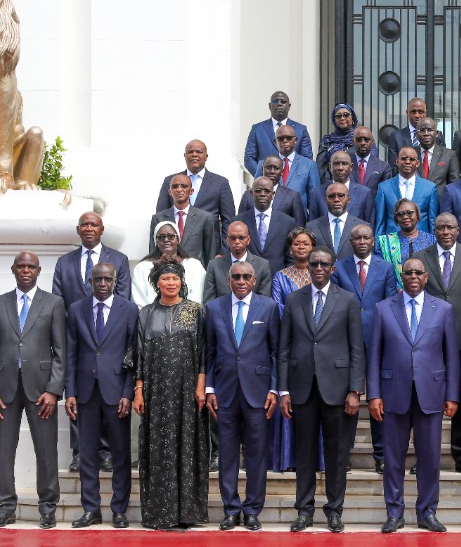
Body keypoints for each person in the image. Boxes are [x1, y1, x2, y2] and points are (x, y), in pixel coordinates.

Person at [367, 258, 460, 533]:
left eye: (419, 272)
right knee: (393, 458)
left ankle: (427, 512)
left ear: (427, 276)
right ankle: (394, 513)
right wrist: (373, 394)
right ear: (401, 275)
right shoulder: (383, 309)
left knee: (430, 457)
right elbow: (374, 356)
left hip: (430, 393)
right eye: (408, 272)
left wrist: (452, 395)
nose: (413, 276)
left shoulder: (442, 309)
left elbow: (451, 356)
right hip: (393, 392)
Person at [278, 247, 365, 533]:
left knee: (337, 453)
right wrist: (283, 390)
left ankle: (334, 511)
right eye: (314, 263)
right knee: (304, 452)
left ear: (332, 269)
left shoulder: (348, 300)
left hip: (338, 389)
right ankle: (304, 510)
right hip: (302, 387)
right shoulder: (294, 299)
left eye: (323, 264)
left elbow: (356, 348)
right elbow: (284, 348)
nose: (318, 268)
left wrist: (355, 390)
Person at [0, 252, 66, 530]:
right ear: (13, 270)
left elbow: (60, 352)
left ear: (39, 270)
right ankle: (6, 507)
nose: (26, 270)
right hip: (4, 390)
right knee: (3, 451)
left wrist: (54, 391)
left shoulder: (53, 303)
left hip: (41, 390)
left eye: (31, 266)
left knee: (46, 450)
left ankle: (47, 507)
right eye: (21, 266)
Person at [127, 259, 211, 529]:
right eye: (166, 279)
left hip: (188, 391)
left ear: (182, 281)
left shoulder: (196, 311)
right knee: (159, 448)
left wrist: (201, 386)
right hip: (156, 392)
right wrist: (138, 391)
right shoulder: (146, 314)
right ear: (157, 283)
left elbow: (203, 352)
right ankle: (159, 514)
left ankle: (188, 513)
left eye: (175, 279)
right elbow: (138, 354)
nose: (171, 283)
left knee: (188, 446)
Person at [52, 211, 130, 473]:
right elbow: (58, 301)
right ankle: (80, 451)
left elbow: (124, 299)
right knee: (80, 395)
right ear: (78, 229)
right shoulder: (64, 263)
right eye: (84, 224)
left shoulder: (118, 260)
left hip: (110, 339)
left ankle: (106, 451)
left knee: (108, 392)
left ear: (102, 229)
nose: (88, 228)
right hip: (77, 336)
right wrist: (76, 327)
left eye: (93, 224)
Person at [205, 260, 280, 532]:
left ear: (254, 280)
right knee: (226, 454)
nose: (241, 281)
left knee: (257, 454)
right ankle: (230, 509)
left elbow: (276, 352)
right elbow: (209, 352)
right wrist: (209, 388)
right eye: (236, 276)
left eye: (246, 277)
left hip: (258, 392)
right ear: (228, 279)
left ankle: (252, 510)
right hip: (224, 393)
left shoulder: (268, 308)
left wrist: (274, 388)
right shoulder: (214, 308)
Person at [64, 263, 138, 529]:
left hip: (117, 392)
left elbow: (133, 357)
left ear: (115, 281)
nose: (103, 283)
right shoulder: (76, 309)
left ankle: (119, 509)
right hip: (85, 392)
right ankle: (91, 509)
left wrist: (128, 392)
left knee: (120, 454)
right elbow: (71, 354)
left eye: (107, 279)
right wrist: (69, 391)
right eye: (98, 279)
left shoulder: (129, 310)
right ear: (90, 281)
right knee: (87, 453)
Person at [413, 212, 461, 474]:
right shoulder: (421, 258)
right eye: (440, 227)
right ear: (434, 230)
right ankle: (422, 455)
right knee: (425, 397)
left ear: (458, 230)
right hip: (428, 340)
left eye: (450, 227)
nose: (445, 232)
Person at [331, 224, 399, 474]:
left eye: (366, 237)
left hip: (379, 341)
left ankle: (381, 454)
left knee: (378, 400)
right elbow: (336, 303)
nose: (361, 241)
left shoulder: (386, 267)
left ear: (373, 241)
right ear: (350, 241)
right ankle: (344, 453)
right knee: (347, 400)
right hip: (346, 342)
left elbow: (391, 304)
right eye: (357, 237)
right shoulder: (339, 267)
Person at [269, 227, 321, 473]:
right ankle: (290, 458)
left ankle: (318, 460)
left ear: (313, 246)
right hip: (290, 342)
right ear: (290, 248)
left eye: (306, 243)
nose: (301, 247)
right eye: (297, 244)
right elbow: (279, 308)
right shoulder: (280, 276)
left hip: (319, 344)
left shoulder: (319, 274)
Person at [155, 139, 236, 248]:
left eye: (198, 152)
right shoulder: (170, 181)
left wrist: (224, 251)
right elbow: (161, 216)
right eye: (190, 152)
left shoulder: (221, 183)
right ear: (184, 156)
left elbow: (229, 220)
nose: (194, 155)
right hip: (174, 247)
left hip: (209, 247)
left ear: (206, 156)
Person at [149, 173, 219, 268]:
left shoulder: (205, 218)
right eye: (175, 186)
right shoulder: (158, 218)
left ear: (191, 191)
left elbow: (210, 253)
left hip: (195, 274)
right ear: (170, 192)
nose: (179, 189)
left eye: (184, 186)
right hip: (166, 274)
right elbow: (153, 252)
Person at [132, 222, 207, 308]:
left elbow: (198, 296)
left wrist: (184, 316)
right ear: (156, 241)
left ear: (178, 239)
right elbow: (139, 299)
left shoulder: (194, 265)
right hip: (152, 318)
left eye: (171, 236)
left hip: (187, 318)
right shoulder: (142, 268)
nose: (166, 240)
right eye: (161, 237)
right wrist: (154, 316)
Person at [235, 177, 299, 275]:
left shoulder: (288, 222)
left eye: (267, 191)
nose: (262, 194)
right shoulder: (239, 221)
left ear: (273, 195)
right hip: (246, 280)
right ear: (251, 193)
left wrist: (285, 280)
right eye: (258, 191)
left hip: (277, 280)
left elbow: (291, 257)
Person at [244, 91, 313, 176]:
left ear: (289, 106)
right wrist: (264, 176)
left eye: (283, 102)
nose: (279, 104)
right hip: (266, 185)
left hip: (293, 184)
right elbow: (249, 159)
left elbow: (307, 159)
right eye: (275, 101)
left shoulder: (301, 129)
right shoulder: (257, 129)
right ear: (270, 106)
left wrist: (293, 178)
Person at [374, 146, 439, 235]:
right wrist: (379, 247)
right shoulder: (384, 187)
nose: (407, 162)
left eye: (411, 159)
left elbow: (433, 222)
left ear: (417, 163)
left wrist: (433, 246)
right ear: (397, 162)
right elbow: (380, 222)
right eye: (404, 159)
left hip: (422, 244)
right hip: (393, 243)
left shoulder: (429, 188)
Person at [257, 124, 321, 210]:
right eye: (281, 138)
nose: (285, 141)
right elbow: (256, 194)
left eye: (289, 138)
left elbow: (314, 201)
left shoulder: (309, 165)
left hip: (298, 219)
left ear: (295, 140)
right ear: (275, 141)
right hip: (270, 219)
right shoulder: (264, 164)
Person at [375, 199, 436, 287]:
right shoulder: (386, 242)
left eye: (409, 213)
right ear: (396, 219)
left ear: (417, 215)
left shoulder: (431, 240)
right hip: (394, 294)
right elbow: (381, 270)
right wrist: (396, 288)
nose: (405, 217)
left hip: (427, 293)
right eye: (400, 214)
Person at [204, 221, 272, 301]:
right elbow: (209, 303)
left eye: (241, 238)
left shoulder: (262, 266)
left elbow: (264, 303)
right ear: (227, 240)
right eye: (233, 238)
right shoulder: (214, 266)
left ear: (248, 240)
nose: (237, 241)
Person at [237, 155, 307, 227]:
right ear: (262, 169)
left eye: (276, 168)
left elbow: (299, 227)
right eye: (268, 168)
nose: (272, 171)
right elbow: (239, 224)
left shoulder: (292, 196)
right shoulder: (248, 196)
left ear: (282, 172)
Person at [308, 182, 371, 260]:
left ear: (348, 200)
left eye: (341, 195)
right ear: (325, 200)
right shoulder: (311, 227)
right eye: (331, 196)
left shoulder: (362, 226)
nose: (336, 199)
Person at [311, 150, 374, 224]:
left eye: (344, 164)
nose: (340, 168)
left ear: (351, 167)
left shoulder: (364, 193)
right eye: (336, 164)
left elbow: (369, 226)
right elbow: (312, 227)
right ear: (330, 167)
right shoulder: (317, 193)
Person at [385, 97, 444, 168]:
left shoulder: (437, 135)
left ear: (425, 113)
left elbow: (442, 162)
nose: (417, 115)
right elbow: (393, 166)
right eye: (413, 112)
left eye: (420, 112)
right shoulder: (396, 136)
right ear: (407, 113)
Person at [414, 116, 459, 195]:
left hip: (440, 204)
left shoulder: (449, 155)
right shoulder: (410, 155)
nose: (426, 134)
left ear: (437, 133)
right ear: (416, 134)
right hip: (415, 204)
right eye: (422, 130)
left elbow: (454, 185)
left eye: (430, 130)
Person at [316, 103, 359, 180]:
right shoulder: (327, 141)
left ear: (352, 118)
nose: (342, 118)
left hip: (355, 185)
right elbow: (320, 168)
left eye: (346, 115)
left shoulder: (360, 139)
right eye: (338, 116)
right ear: (334, 120)